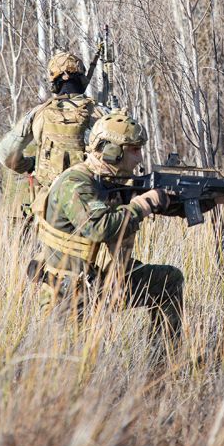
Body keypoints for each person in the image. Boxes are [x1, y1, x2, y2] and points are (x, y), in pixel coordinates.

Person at [33, 110, 184, 355]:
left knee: (168, 280)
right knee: (73, 369)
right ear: (112, 151)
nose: (139, 157)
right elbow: (98, 227)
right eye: (134, 149)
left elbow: (164, 204)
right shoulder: (77, 183)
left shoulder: (108, 182)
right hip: (67, 295)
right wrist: (144, 204)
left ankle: (163, 365)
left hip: (98, 285)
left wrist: (214, 199)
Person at [0, 51, 104, 224]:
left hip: (48, 208)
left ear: (54, 81)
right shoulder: (98, 113)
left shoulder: (39, 113)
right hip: (91, 209)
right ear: (82, 77)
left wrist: (31, 164)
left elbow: (6, 154)